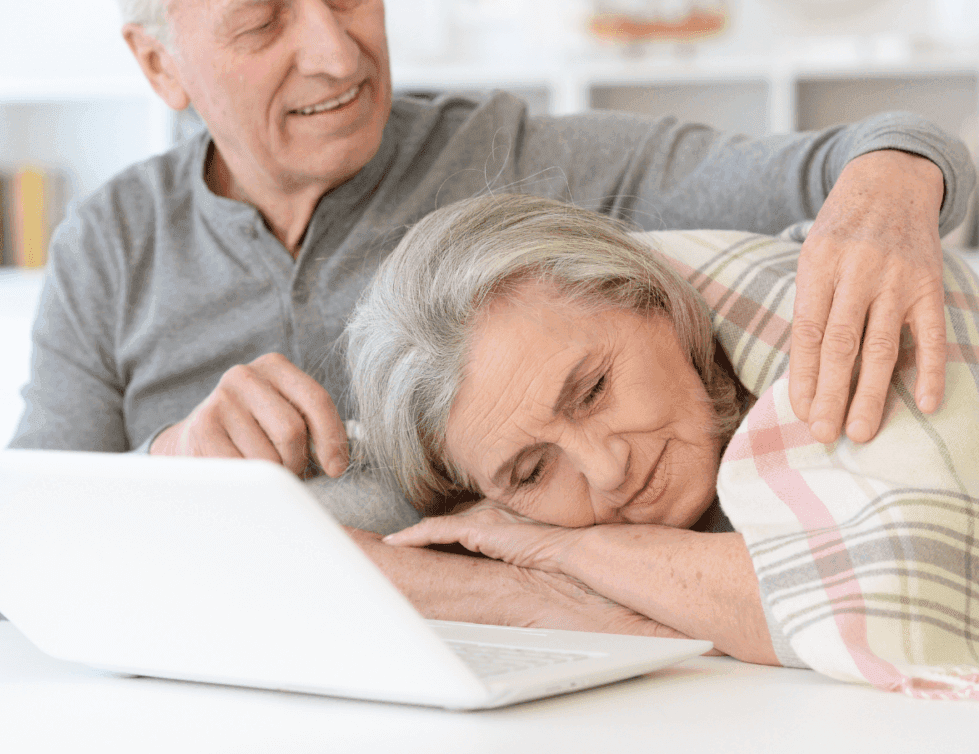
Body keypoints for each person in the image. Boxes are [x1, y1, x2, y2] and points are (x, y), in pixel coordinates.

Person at [0, 0, 977, 629]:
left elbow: (872, 151)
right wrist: (164, 472)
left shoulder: (530, 162)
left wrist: (889, 194)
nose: (336, 53)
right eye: (262, 24)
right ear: (159, 61)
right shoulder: (110, 242)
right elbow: (10, 567)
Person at [346, 194, 979, 695]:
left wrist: (557, 561)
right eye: (534, 471)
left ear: (653, 299)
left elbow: (914, 615)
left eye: (592, 391)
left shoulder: (835, 307)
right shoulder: (470, 439)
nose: (606, 468)